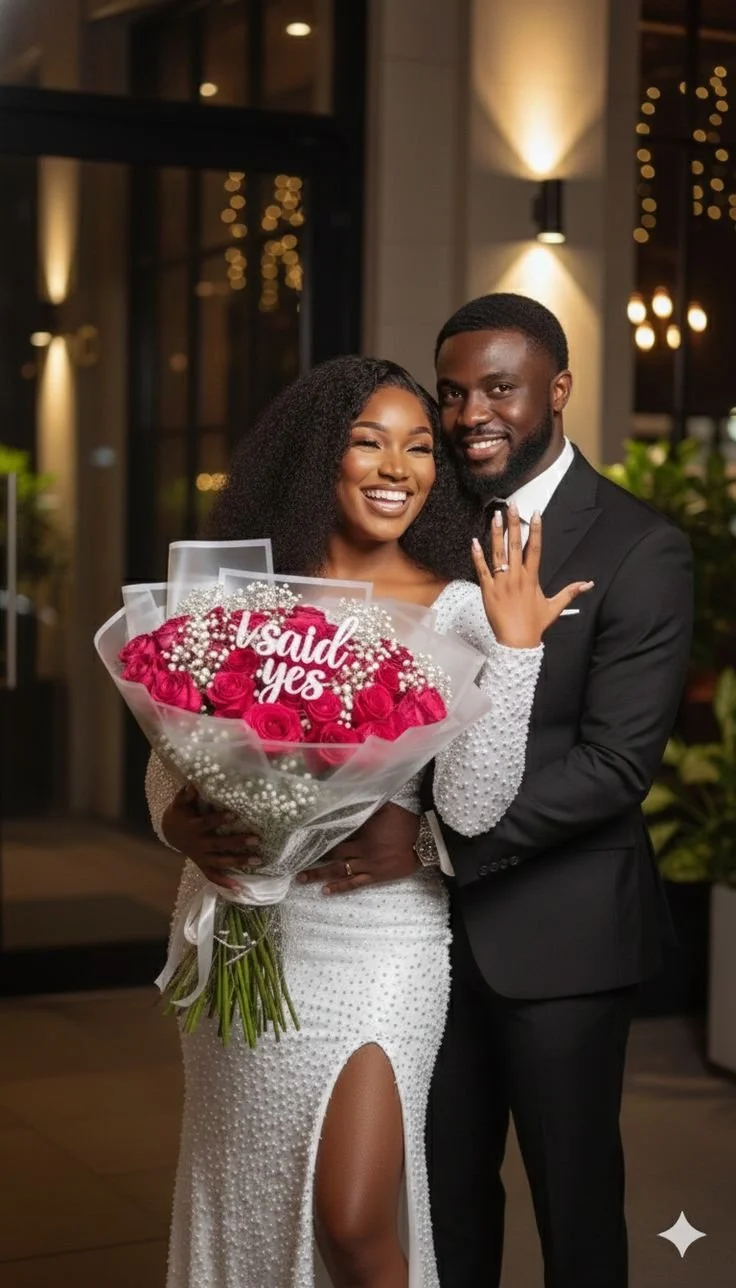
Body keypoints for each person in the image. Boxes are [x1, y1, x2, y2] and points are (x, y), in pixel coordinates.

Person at [144, 354, 590, 1288]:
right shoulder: (247, 596)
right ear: (320, 458)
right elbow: (173, 761)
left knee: (352, 1220)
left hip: (385, 937)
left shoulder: (466, 607)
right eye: (369, 442)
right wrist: (180, 826)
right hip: (248, 924)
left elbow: (471, 806)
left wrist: (514, 654)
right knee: (251, 1187)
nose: (399, 468)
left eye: (420, 448)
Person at [317, 296, 694, 1288]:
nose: (467, 412)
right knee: (440, 1201)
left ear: (557, 390)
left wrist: (433, 841)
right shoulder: (431, 527)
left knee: (574, 1207)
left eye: (497, 388)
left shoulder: (635, 548)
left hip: (561, 938)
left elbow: (614, 765)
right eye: (451, 392)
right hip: (422, 940)